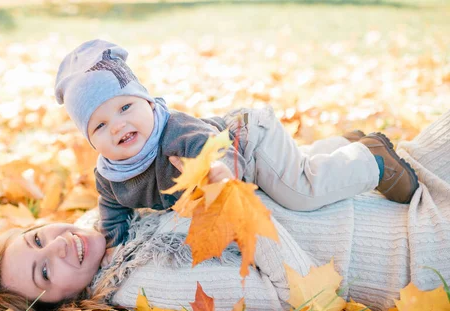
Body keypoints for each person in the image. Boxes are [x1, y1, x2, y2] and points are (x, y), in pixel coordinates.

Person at [0, 109, 450, 311]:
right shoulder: (142, 286)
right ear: (60, 304)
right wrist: (229, 200)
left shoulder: (114, 227)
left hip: (403, 179)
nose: (57, 246)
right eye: (44, 270)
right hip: (418, 245)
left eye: (35, 239)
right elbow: (307, 298)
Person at [53, 39, 419, 251]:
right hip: (241, 157)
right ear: (91, 140)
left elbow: (209, 149)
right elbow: (112, 208)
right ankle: (344, 145)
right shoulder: (111, 175)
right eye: (100, 124)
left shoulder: (173, 133)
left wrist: (218, 175)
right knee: (295, 169)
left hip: (247, 141)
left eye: (126, 107)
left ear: (148, 102)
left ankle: (373, 161)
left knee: (300, 192)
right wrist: (112, 243)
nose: (118, 125)